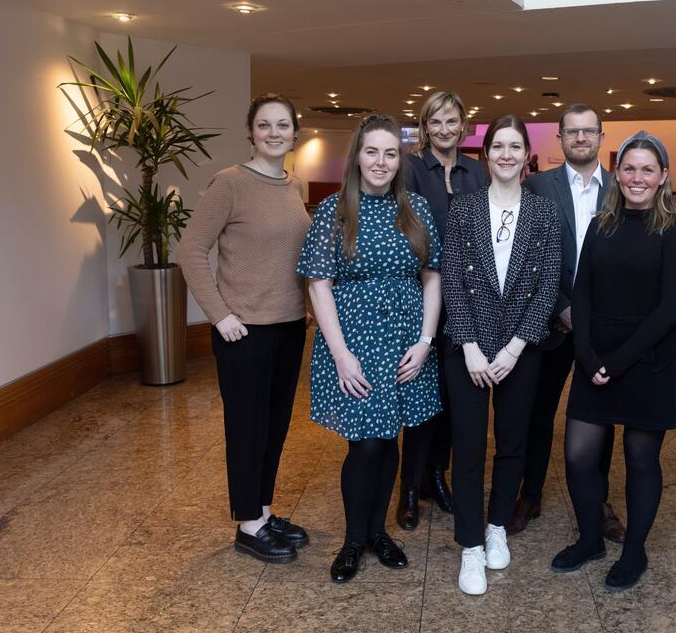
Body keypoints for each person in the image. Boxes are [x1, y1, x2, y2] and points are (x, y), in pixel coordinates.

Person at [297, 114, 442, 583]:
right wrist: (340, 353)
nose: (381, 162)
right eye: (372, 151)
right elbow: (318, 284)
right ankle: (353, 539)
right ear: (357, 156)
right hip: (353, 345)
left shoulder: (415, 208)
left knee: (389, 437)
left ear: (400, 160)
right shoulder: (334, 211)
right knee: (364, 445)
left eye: (390, 153)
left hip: (405, 343)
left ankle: (380, 532)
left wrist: (425, 341)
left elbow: (433, 278)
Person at [551, 131, 676, 592]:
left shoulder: (673, 230)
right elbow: (584, 290)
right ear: (619, 173)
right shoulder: (603, 223)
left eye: (647, 169)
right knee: (578, 454)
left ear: (663, 176)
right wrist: (587, 352)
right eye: (629, 168)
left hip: (647, 357)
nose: (636, 177)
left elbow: (671, 305)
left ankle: (634, 552)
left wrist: (619, 360)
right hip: (596, 354)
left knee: (640, 457)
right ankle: (591, 537)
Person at [178, 93, 312, 564]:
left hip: (290, 326)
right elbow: (190, 252)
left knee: (274, 428)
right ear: (251, 131)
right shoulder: (229, 184)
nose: (274, 132)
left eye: (282, 125)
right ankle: (248, 525)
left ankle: (264, 511)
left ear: (295, 133)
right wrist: (221, 315)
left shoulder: (294, 186)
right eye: (264, 125)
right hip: (244, 332)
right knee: (247, 428)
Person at [441, 114, 561, 595]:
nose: (507, 154)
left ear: (526, 155)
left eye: (515, 146)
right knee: (468, 449)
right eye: (498, 146)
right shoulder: (464, 209)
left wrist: (514, 347)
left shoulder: (544, 213)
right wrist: (469, 346)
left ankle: (495, 527)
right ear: (485, 154)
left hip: (520, 349)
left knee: (513, 444)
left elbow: (548, 285)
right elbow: (452, 280)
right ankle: (470, 544)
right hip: (466, 350)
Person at [510, 104, 625, 544]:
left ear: (600, 136)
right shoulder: (536, 187)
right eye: (571, 132)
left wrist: (595, 315)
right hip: (548, 323)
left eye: (588, 131)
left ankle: (600, 501)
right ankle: (530, 494)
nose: (580, 138)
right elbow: (527, 257)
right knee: (536, 415)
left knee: (602, 415)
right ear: (559, 138)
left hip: (603, 329)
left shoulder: (620, 188)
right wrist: (561, 306)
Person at [398, 90, 489, 530]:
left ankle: (438, 475)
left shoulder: (478, 171)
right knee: (420, 397)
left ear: (464, 124)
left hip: (468, 303)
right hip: (422, 298)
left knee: (455, 400)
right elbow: (407, 232)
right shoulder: (411, 169)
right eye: (435, 122)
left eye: (452, 121)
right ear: (424, 125)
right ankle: (410, 487)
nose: (444, 130)